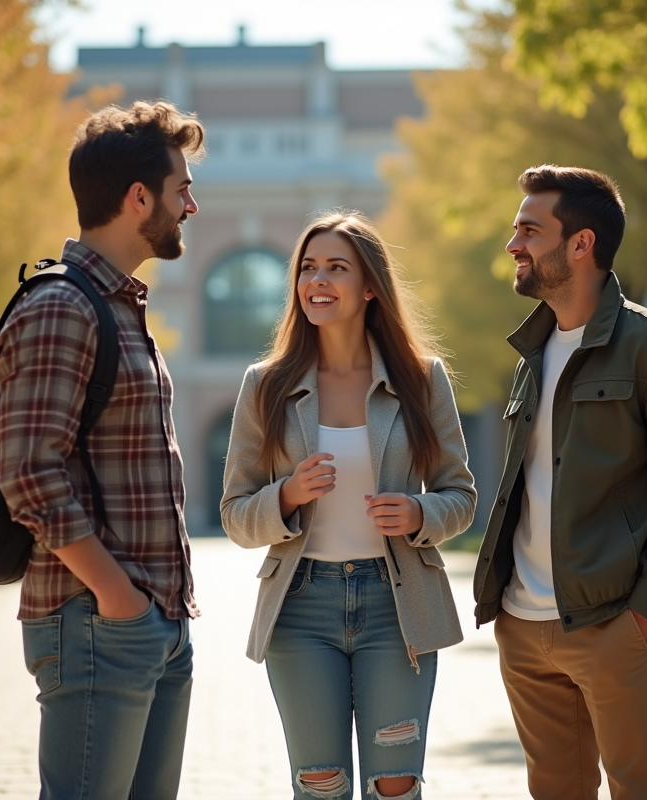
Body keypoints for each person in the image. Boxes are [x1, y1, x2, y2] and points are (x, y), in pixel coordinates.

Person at [473, 165, 647, 800]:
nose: (514, 245)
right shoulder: (531, 355)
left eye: (530, 230)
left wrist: (643, 617)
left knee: (642, 789)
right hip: (522, 628)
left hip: (614, 625)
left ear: (581, 243)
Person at [220, 211, 476, 800]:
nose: (318, 280)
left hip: (398, 608)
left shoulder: (422, 378)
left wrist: (419, 515)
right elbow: (234, 513)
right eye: (308, 268)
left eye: (337, 267)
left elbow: (459, 495)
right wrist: (286, 495)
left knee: (394, 785)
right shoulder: (265, 386)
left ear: (369, 287)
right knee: (320, 785)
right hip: (301, 610)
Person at [0, 101, 204, 800]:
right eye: (181, 190)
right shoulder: (64, 305)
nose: (190, 207)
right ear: (137, 197)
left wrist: (152, 615)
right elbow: (28, 470)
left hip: (153, 623)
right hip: (97, 623)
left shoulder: (119, 306)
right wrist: (117, 596)